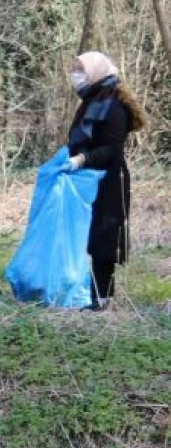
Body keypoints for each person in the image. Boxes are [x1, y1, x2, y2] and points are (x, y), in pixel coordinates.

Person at [65, 52, 144, 310]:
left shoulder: (114, 105)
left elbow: (111, 149)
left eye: (80, 70)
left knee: (104, 239)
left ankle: (103, 300)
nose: (75, 75)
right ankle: (89, 294)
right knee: (89, 236)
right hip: (87, 178)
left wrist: (80, 160)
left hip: (109, 180)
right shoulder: (91, 99)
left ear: (96, 72)